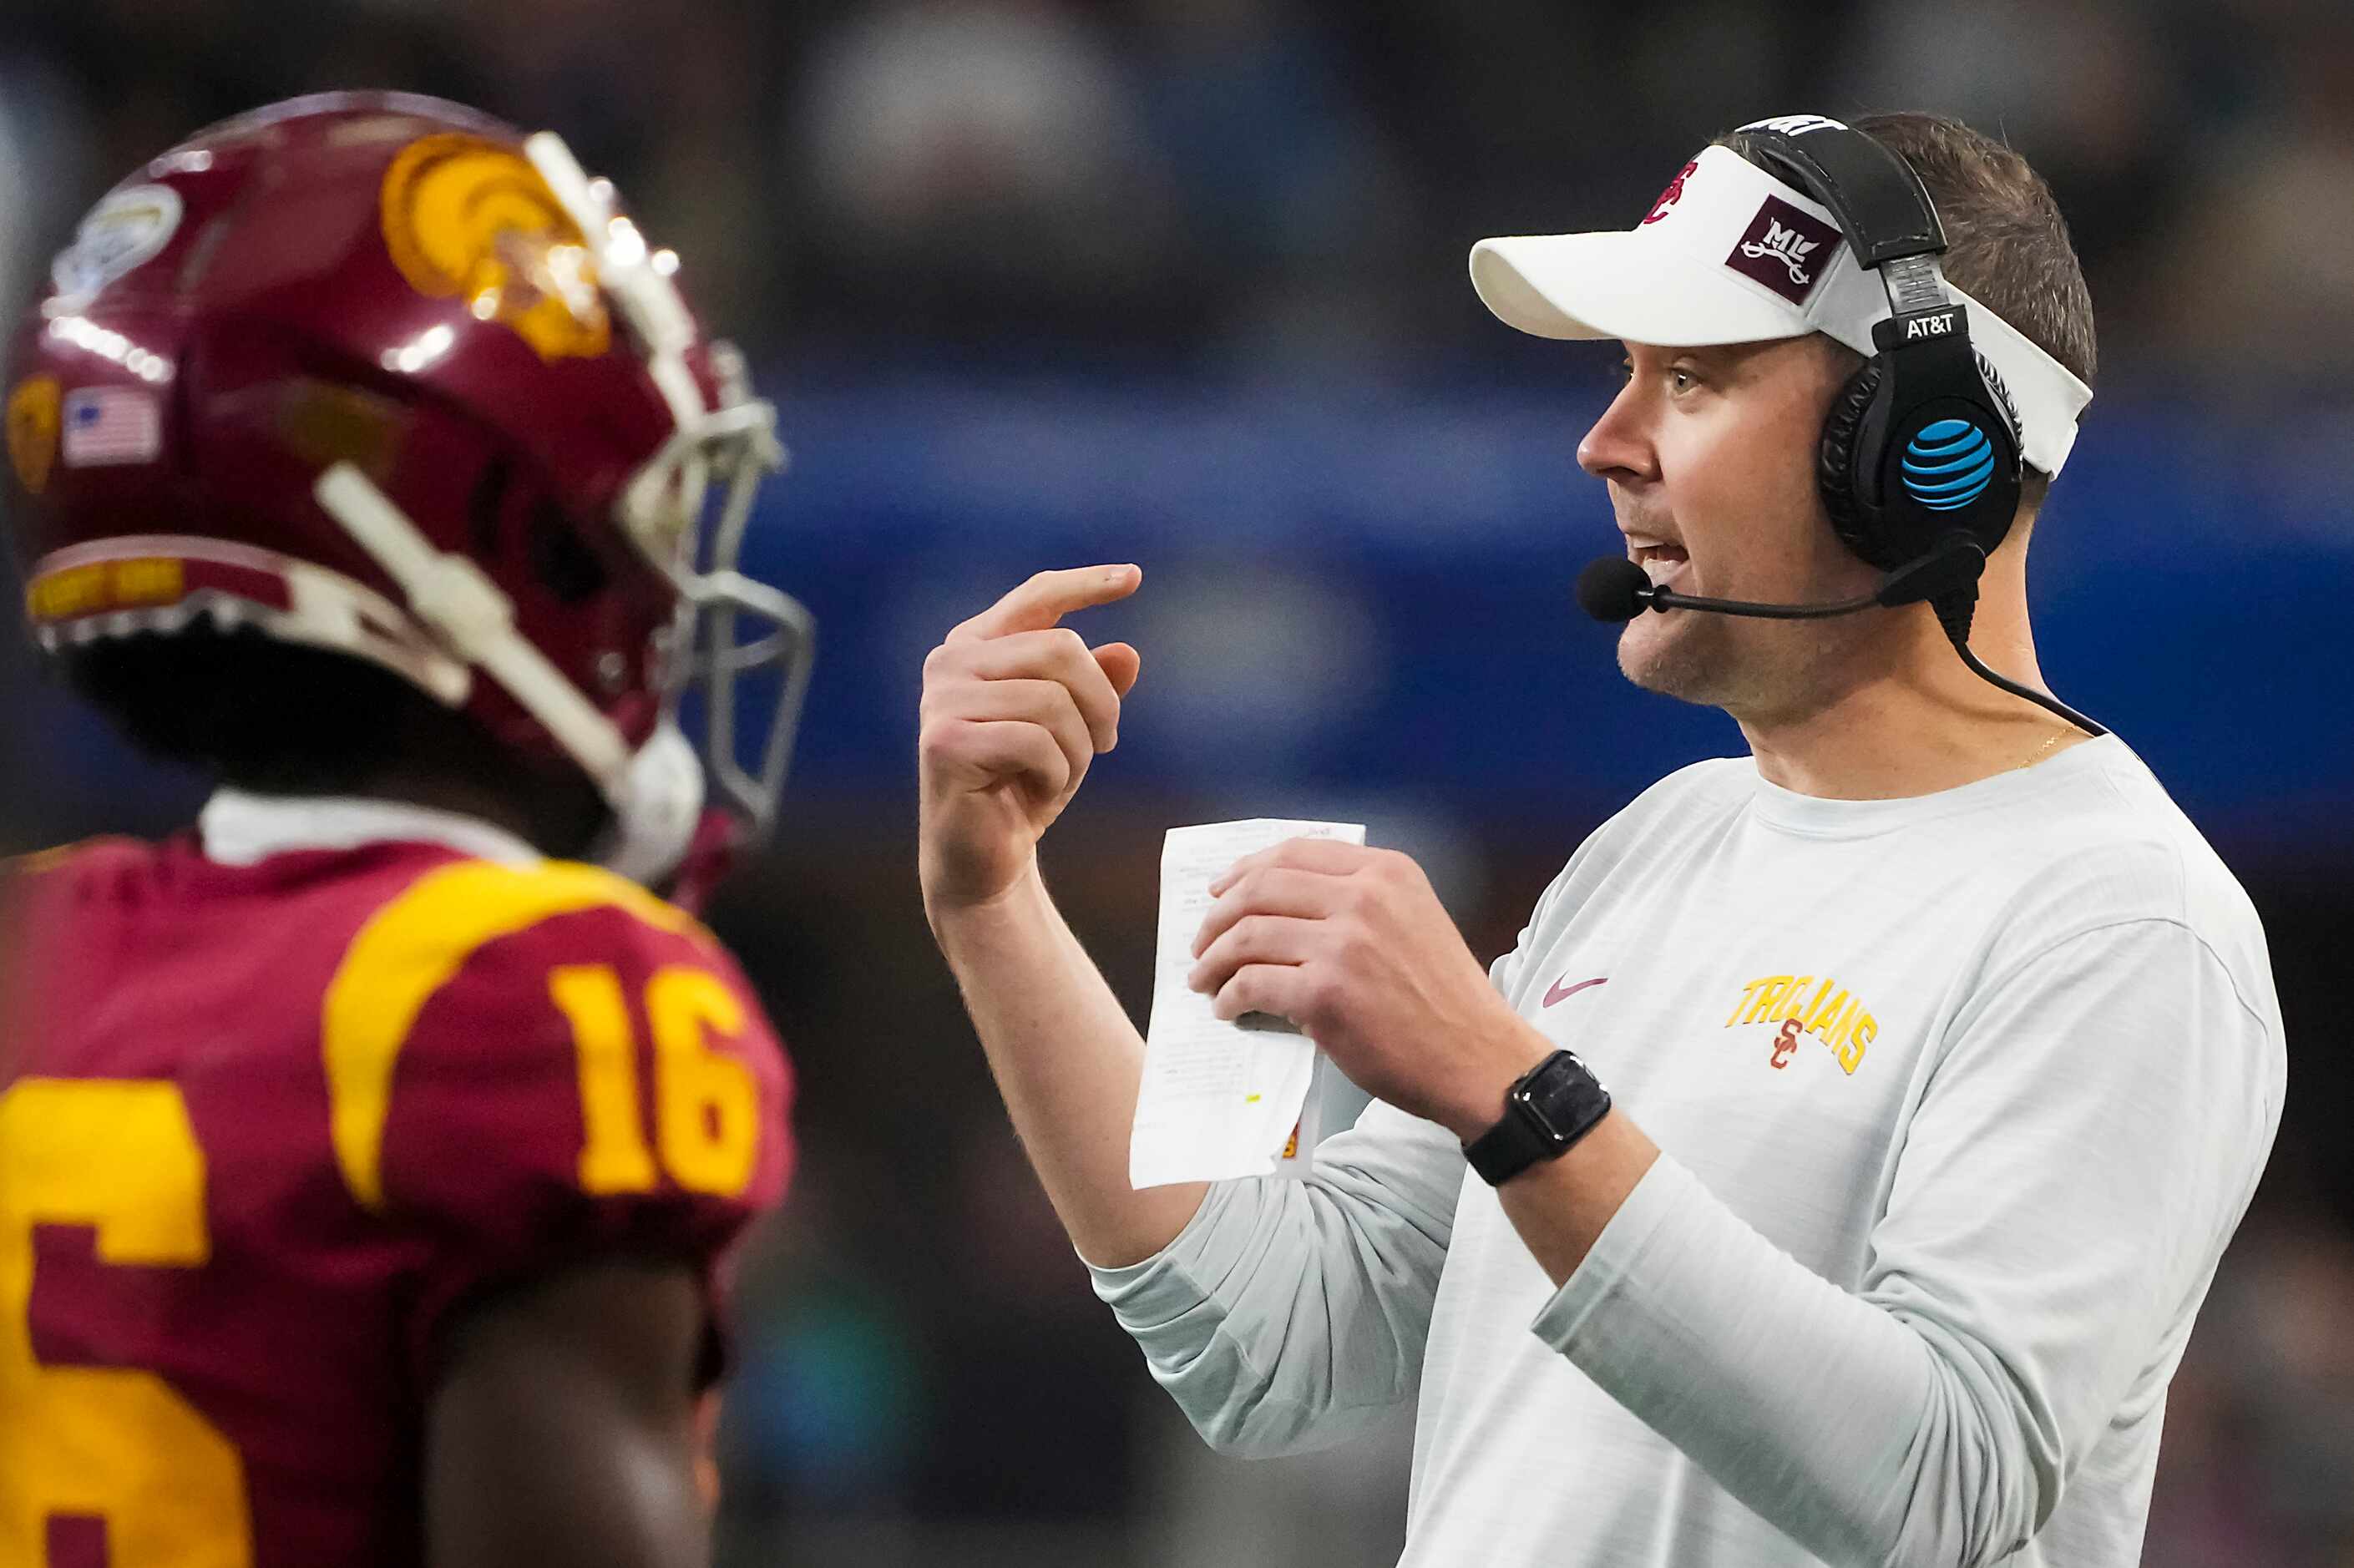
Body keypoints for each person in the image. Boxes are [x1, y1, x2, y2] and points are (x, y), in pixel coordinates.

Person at [916, 111, 2284, 1566]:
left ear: (1919, 451)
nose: (1605, 442)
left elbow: (1945, 1484)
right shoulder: (1660, 844)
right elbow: (1275, 1344)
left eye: (1691, 378)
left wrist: (1512, 1090)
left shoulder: (2124, 921)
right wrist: (995, 903)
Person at [0, 93, 807, 1567]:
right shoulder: (539, 998)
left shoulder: (29, 941)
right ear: (505, 541)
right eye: (642, 524)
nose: (664, 598)